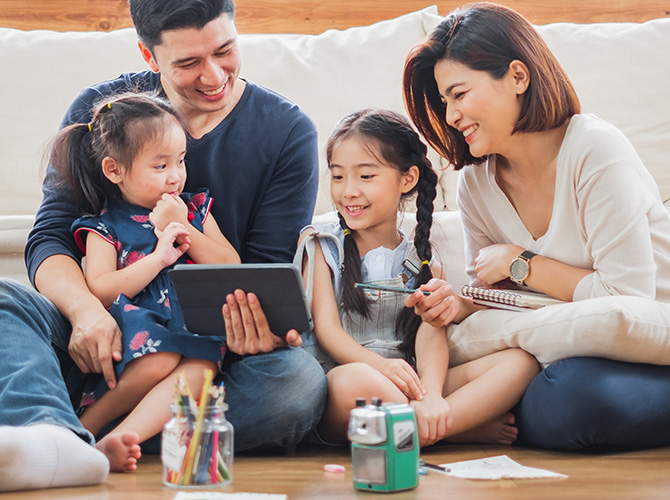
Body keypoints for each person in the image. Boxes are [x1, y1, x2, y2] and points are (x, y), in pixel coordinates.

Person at [0, 0, 326, 491]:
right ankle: (63, 434)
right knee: (6, 301)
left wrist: (255, 327)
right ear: (149, 57)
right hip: (101, 339)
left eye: (225, 51)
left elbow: (260, 270)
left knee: (297, 384)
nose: (214, 75)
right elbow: (50, 236)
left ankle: (64, 434)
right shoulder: (106, 113)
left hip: (207, 358)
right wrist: (88, 312)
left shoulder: (286, 131)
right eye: (189, 63)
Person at [402, 2, 670, 450]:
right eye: (445, 100)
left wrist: (522, 263)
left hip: (645, 347)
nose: (450, 116)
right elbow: (497, 300)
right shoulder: (474, 184)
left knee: (565, 402)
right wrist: (462, 308)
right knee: (552, 393)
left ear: (518, 77)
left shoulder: (593, 148)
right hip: (563, 352)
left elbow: (625, 304)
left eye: (460, 94)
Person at [296, 109, 539, 447]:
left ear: (407, 179)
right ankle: (455, 430)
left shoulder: (422, 255)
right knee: (357, 381)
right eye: (338, 177)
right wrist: (378, 365)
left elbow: (430, 334)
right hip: (347, 381)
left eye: (365, 177)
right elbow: (326, 329)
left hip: (407, 380)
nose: (348, 191)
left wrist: (432, 394)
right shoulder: (322, 245)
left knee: (519, 362)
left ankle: (427, 421)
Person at [52, 92, 242, 471]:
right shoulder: (105, 226)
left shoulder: (195, 211)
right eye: (160, 165)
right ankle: (78, 432)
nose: (176, 175)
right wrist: (158, 259)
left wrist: (184, 225)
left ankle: (121, 440)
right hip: (141, 327)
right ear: (114, 170)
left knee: (200, 372)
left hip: (196, 327)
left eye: (181, 161)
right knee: (160, 359)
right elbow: (101, 288)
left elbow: (229, 265)